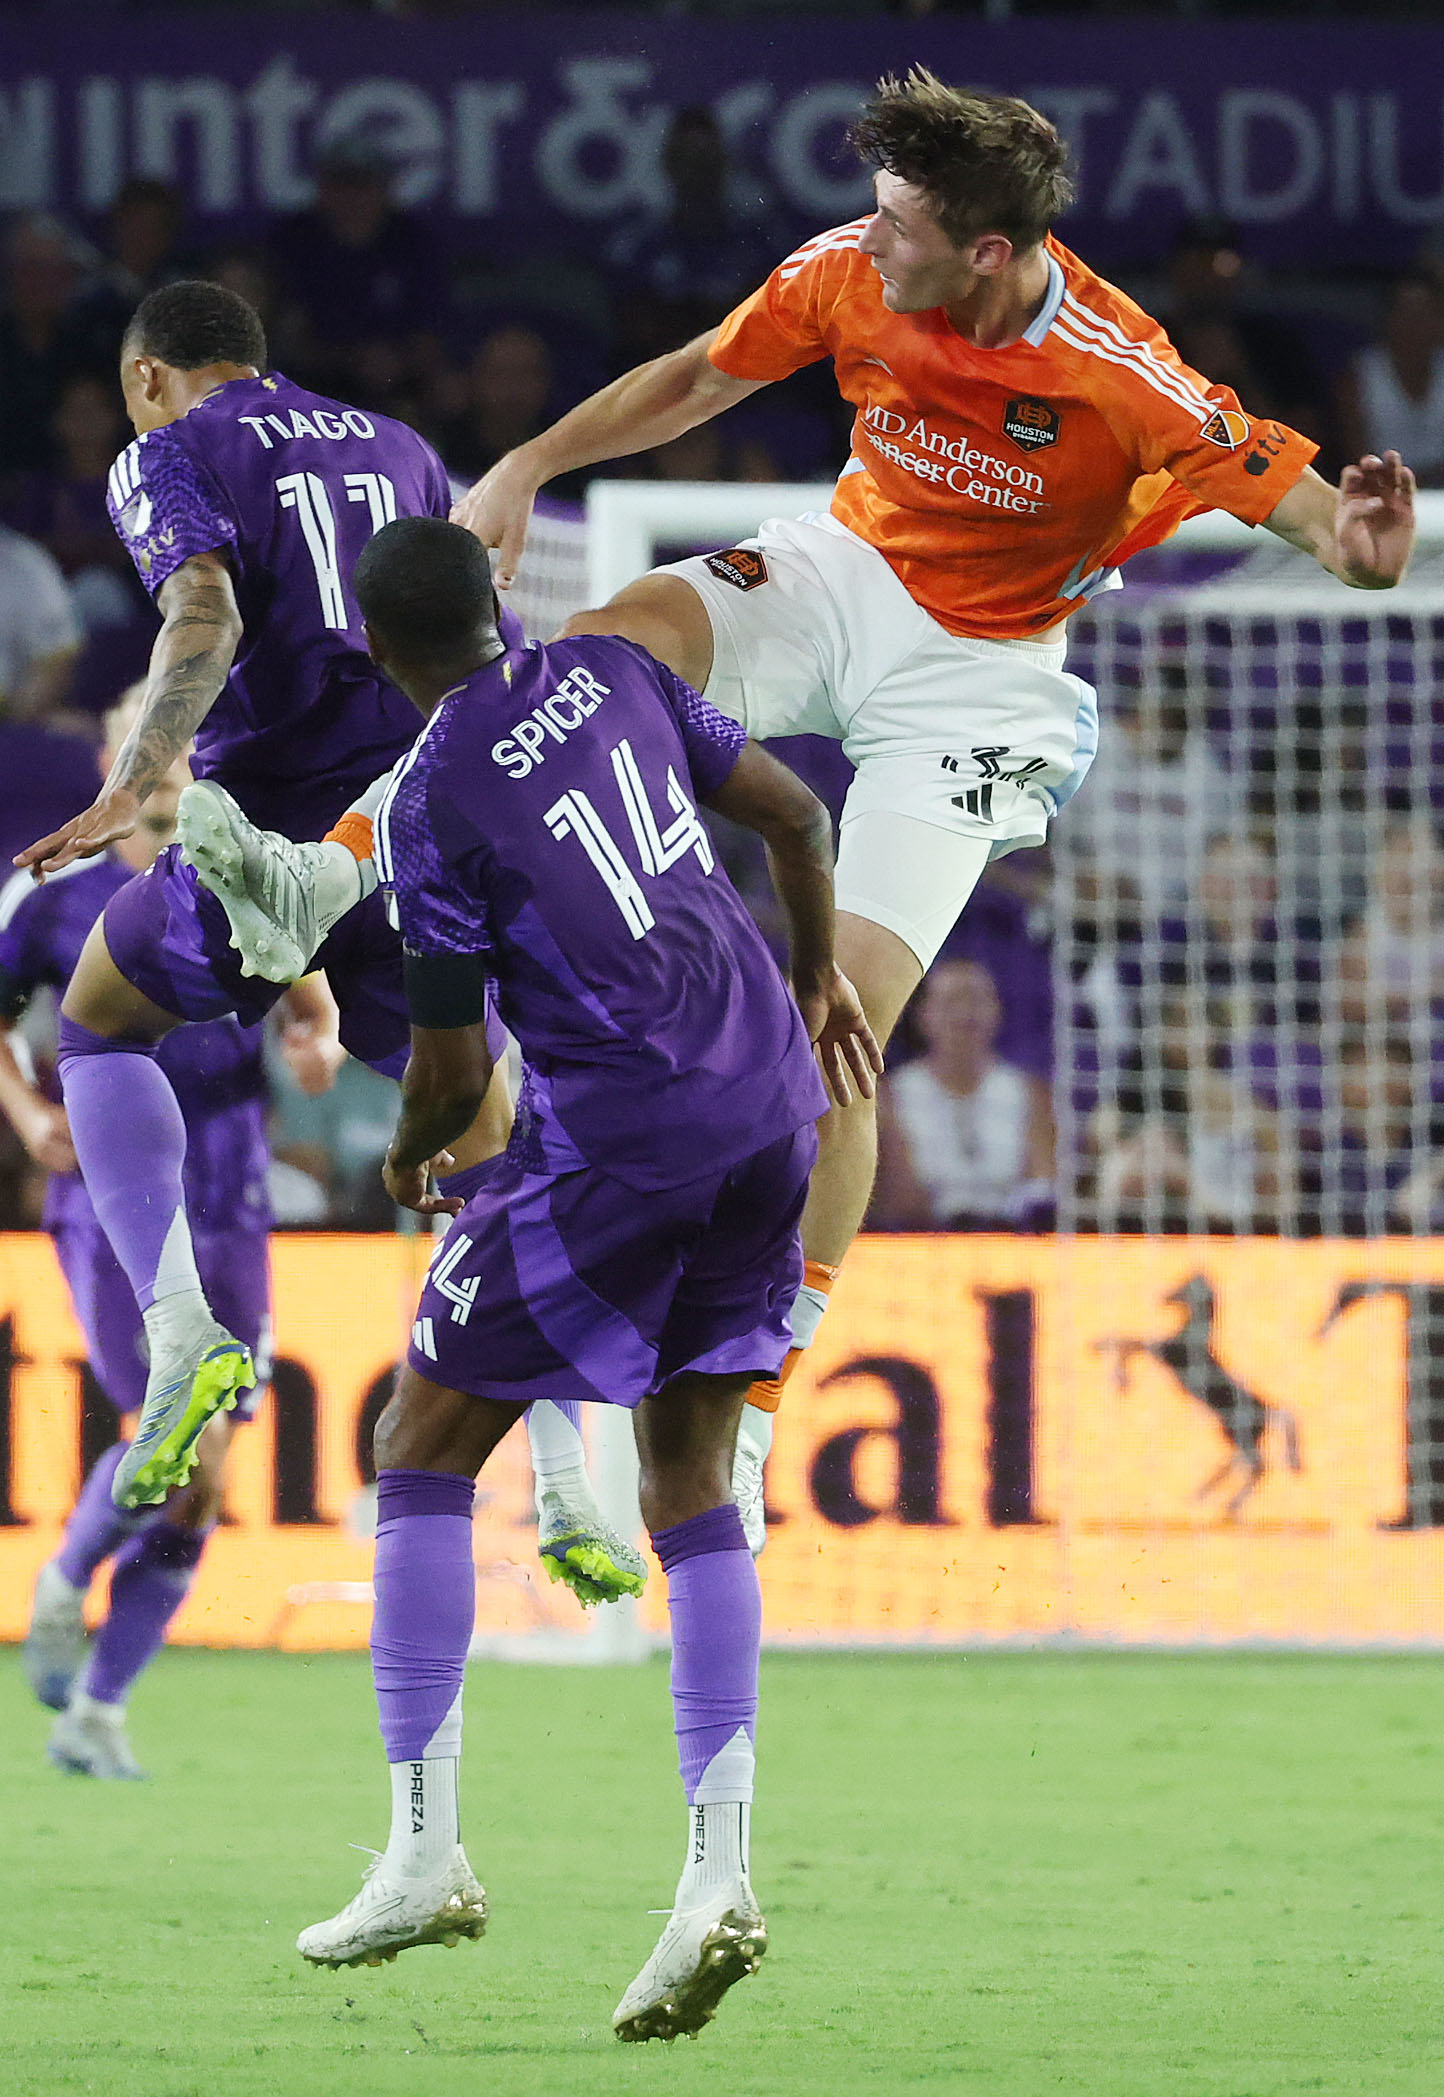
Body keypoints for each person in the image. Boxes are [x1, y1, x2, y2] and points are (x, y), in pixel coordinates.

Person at [441, 68, 1412, 1502]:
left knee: (840, 1036)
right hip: (843, 576)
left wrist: (1366, 548)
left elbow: (1319, 517)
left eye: (899, 221)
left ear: (990, 255)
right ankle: (621, 992)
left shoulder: (1125, 375)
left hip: (983, 681)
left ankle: (760, 1372)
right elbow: (703, 373)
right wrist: (529, 460)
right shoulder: (849, 271)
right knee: (597, 658)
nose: (868, 235)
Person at [287, 516, 878, 2042]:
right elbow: (799, 811)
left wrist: (406, 1159)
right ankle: (716, 1876)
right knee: (691, 1475)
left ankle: (423, 1849)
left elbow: (448, 1059)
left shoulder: (429, 805)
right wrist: (816, 975)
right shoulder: (616, 671)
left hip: (631, 1135)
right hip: (771, 1105)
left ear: (379, 653)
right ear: (505, 604)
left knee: (418, 1442)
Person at [12, 282, 631, 1604]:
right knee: (491, 1137)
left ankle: (181, 1334)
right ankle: (573, 1467)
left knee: (99, 1013)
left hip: (268, 831)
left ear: (149, 378)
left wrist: (142, 771)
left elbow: (207, 613)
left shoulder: (168, 450)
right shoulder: (399, 445)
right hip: (415, 823)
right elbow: (465, 632)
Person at [0, 688, 292, 1778]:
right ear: (117, 762)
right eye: (150, 747)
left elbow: (309, 994)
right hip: (121, 1199)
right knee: (174, 1440)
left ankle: (100, 1710)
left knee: (210, 1478)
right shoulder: (54, 892)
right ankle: (71, 1578)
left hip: (236, 1190)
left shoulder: (244, 865)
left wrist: (316, 1039)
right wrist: (30, 1113)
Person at [871, 958, 1053, 1230]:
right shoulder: (890, 1096)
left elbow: (1045, 1187)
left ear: (997, 1011)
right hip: (920, 1241)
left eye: (977, 1001)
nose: (965, 1015)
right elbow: (896, 1198)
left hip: (1012, 1241)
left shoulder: (1030, 1093)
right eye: (950, 1002)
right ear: (923, 1015)